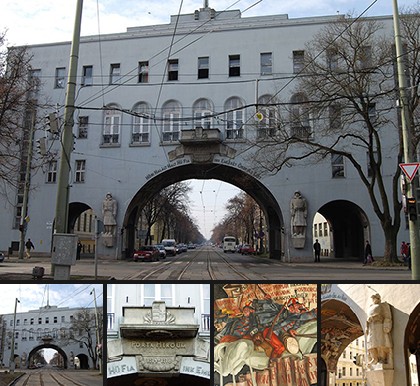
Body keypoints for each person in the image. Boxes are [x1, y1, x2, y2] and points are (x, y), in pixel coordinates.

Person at [366, 293, 393, 366]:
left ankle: (382, 358)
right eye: (373, 298)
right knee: (371, 344)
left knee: (380, 343)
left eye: (374, 298)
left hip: (379, 325)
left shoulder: (382, 305)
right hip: (371, 327)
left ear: (378, 298)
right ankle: (374, 358)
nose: (373, 299)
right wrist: (367, 327)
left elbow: (387, 316)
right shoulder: (370, 307)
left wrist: (386, 325)